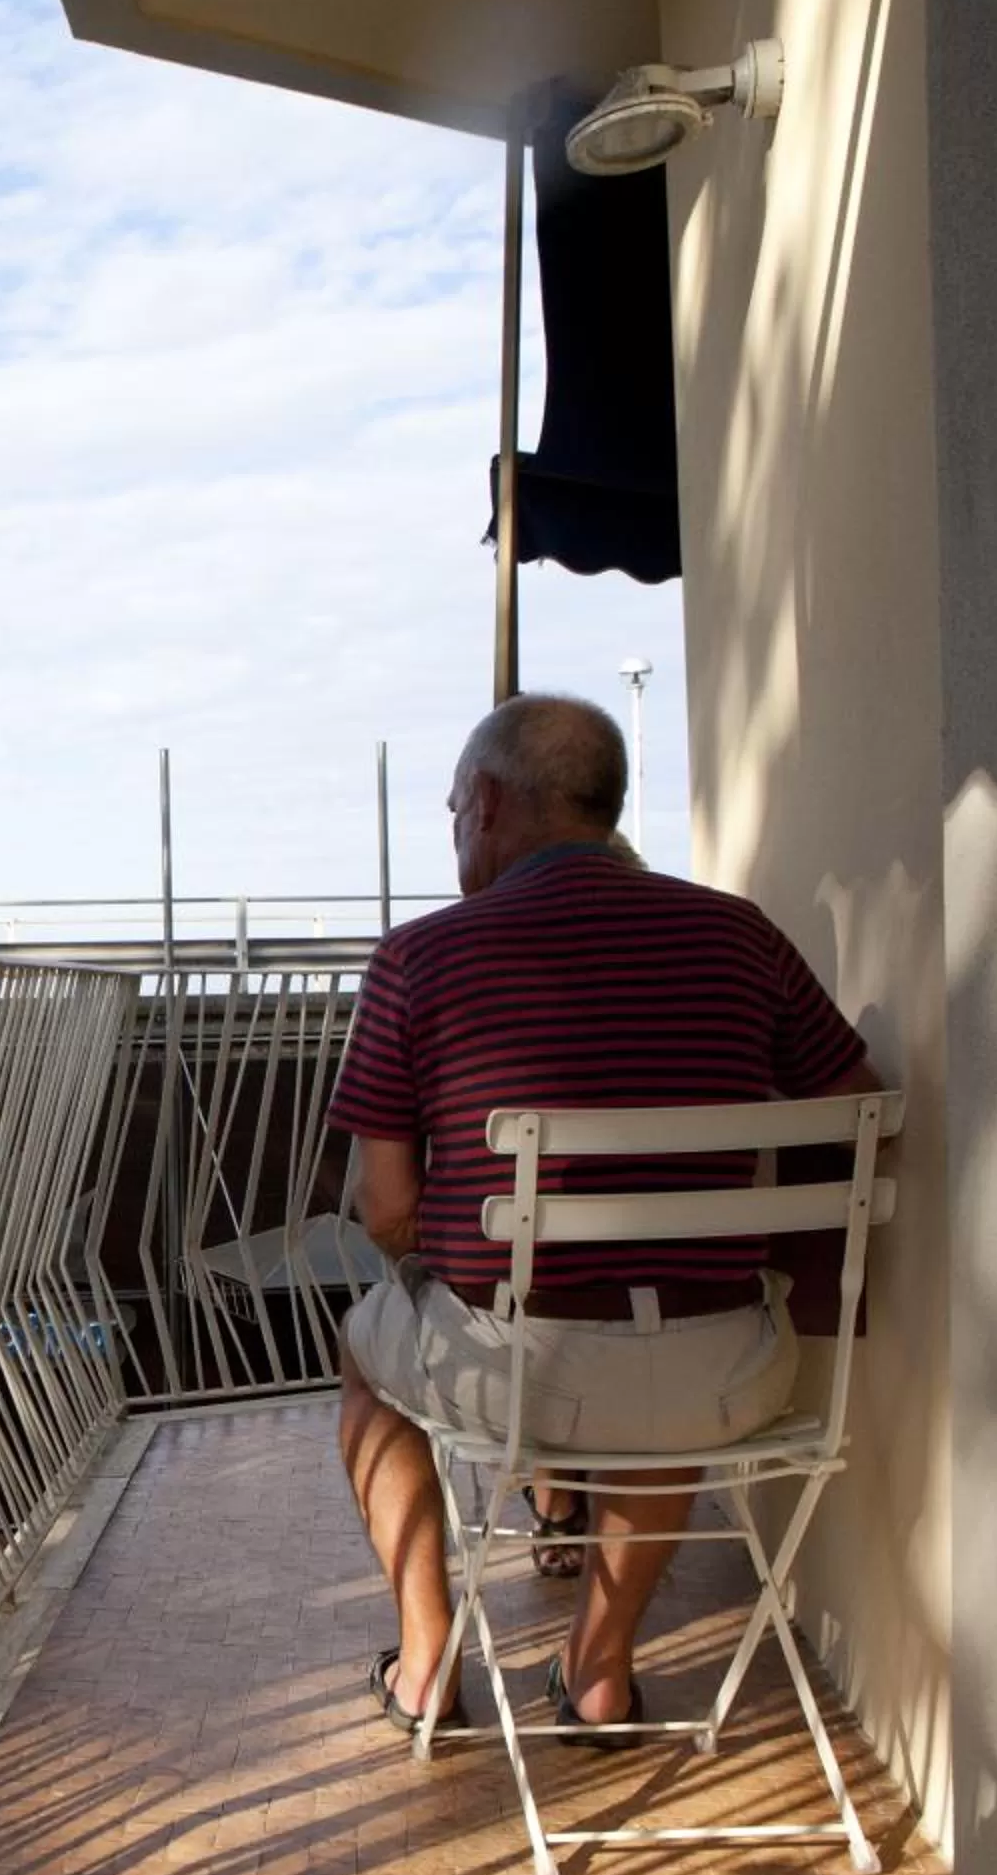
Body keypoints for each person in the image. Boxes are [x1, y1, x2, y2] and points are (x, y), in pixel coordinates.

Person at [327, 694, 879, 1743]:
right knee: (666, 1340)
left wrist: (447, 1254)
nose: (454, 830)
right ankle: (598, 1670)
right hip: (734, 1373)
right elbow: (862, 1116)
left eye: (452, 809)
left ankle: (428, 1661)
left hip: (520, 1369)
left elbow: (386, 1205)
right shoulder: (741, 935)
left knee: (368, 1355)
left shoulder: (420, 958)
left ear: (487, 804)